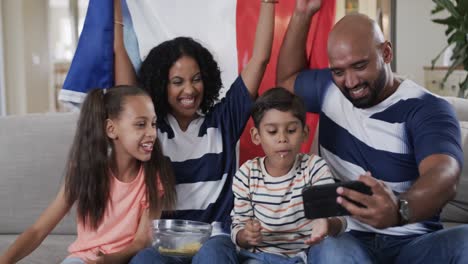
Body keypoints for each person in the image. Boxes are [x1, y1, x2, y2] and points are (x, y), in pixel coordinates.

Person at [276, 0, 468, 263]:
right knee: (332, 251)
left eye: (360, 66)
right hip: (345, 236)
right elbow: (287, 82)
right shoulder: (329, 88)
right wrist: (302, 14)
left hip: (413, 242)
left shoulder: (426, 108)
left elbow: (443, 174)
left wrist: (400, 209)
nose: (351, 82)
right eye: (339, 71)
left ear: (386, 53)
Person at [113, 0, 276, 263]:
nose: (189, 90)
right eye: (177, 82)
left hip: (213, 239)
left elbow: (260, 59)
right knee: (144, 260)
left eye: (196, 79)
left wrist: (269, 3)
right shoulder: (151, 128)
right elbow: (124, 88)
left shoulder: (224, 121)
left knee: (213, 255)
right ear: (161, 85)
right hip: (165, 243)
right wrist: (116, 23)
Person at [0, 86, 176, 264]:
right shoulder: (84, 172)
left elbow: (140, 243)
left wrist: (107, 261)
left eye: (153, 124)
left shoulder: (153, 179)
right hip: (83, 260)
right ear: (111, 129)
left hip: (122, 261)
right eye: (141, 124)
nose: (152, 133)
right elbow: (38, 230)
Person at [231, 87, 347, 264]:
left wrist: (327, 224)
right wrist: (245, 235)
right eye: (272, 132)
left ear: (304, 133)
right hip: (261, 257)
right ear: (256, 136)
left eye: (291, 130)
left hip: (307, 255)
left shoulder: (314, 168)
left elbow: (339, 220)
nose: (282, 138)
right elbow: (238, 226)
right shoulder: (246, 175)